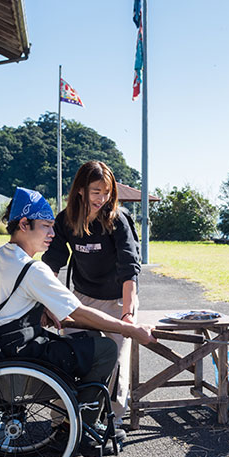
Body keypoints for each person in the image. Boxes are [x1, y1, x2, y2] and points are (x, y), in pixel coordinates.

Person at [0, 187, 154, 434]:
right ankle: (84, 427)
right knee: (105, 350)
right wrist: (131, 329)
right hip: (25, 353)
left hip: (1, 348)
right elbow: (79, 312)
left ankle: (71, 418)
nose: (53, 234)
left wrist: (47, 307)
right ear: (25, 224)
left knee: (83, 341)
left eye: (52, 226)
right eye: (46, 226)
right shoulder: (33, 270)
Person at [42, 161, 141, 430]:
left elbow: (129, 270)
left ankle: (113, 421)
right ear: (81, 190)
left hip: (117, 299)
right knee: (70, 357)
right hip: (81, 298)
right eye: (96, 191)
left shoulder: (117, 220)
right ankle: (63, 420)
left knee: (117, 364)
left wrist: (128, 314)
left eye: (107, 192)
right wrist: (47, 303)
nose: (102, 198)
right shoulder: (66, 220)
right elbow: (51, 263)